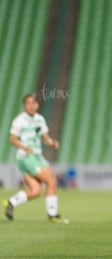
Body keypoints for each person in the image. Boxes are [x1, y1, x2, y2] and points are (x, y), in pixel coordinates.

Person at [3, 94, 68, 224]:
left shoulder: (40, 119)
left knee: (36, 191)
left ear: (37, 105)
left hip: (36, 156)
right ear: (24, 106)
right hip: (28, 157)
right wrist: (24, 148)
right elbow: (13, 140)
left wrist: (52, 143)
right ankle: (52, 214)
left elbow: (45, 138)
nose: (31, 106)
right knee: (51, 182)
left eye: (33, 103)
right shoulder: (20, 120)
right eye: (28, 103)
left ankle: (11, 202)